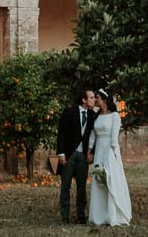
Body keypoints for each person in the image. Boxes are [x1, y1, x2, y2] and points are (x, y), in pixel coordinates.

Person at [89, 88, 131, 226]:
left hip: (109, 151)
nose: (95, 100)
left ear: (104, 100)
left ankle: (113, 215)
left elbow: (114, 137)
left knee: (110, 180)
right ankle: (98, 217)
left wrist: (111, 155)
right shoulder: (97, 116)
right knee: (98, 180)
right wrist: (89, 151)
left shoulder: (114, 116)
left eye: (97, 98)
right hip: (98, 152)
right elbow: (93, 135)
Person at [56, 88, 97, 224]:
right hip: (69, 155)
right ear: (84, 100)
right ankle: (65, 216)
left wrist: (91, 153)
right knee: (65, 186)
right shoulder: (69, 112)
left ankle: (81, 216)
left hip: (83, 157)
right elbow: (61, 133)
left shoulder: (93, 115)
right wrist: (61, 153)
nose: (94, 100)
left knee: (81, 187)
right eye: (91, 97)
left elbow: (95, 136)